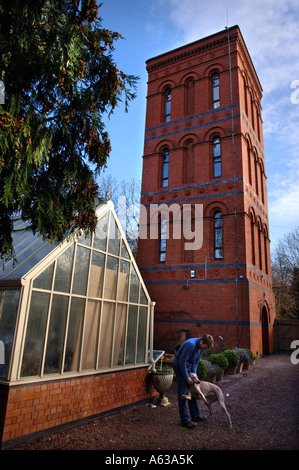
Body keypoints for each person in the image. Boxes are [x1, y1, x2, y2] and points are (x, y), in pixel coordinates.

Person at [172, 334, 214, 428]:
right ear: (201, 341)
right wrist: (187, 377)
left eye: (206, 348)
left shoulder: (201, 348)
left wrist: (194, 376)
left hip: (188, 366)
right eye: (204, 347)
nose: (204, 349)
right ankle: (185, 420)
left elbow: (195, 363)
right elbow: (181, 362)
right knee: (183, 392)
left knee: (194, 389)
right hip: (179, 366)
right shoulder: (190, 345)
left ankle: (195, 415)